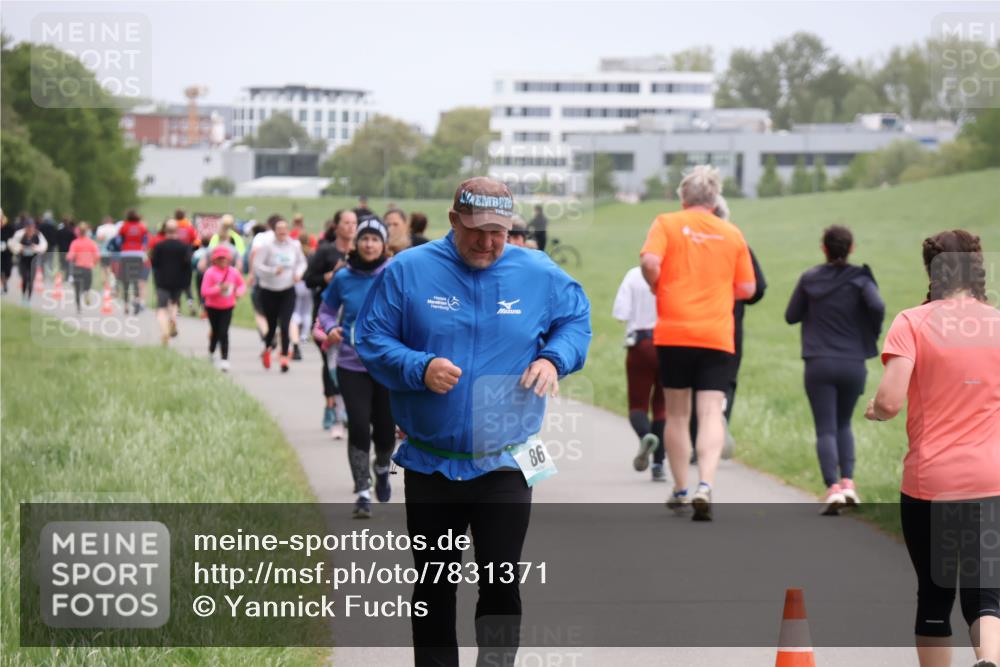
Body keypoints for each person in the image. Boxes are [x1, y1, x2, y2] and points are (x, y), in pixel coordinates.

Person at [356, 177, 591, 666]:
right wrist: (418, 367)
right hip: (431, 462)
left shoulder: (537, 273)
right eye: (476, 231)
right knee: (434, 586)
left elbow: (575, 320)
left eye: (497, 232)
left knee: (501, 583)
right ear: (453, 220)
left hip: (506, 460)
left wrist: (553, 358)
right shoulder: (409, 271)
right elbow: (372, 337)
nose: (486, 242)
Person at [865, 230, 999, 667]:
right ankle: (991, 659)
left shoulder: (912, 322)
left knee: (935, 594)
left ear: (931, 270)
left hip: (931, 483)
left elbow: (889, 402)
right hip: (991, 480)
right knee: (986, 594)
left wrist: (875, 411)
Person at [640, 165, 756, 521]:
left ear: (683, 198)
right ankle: (706, 484)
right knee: (710, 412)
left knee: (677, 413)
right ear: (715, 200)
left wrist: (658, 285)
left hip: (674, 331)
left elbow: (649, 261)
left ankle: (680, 488)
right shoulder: (732, 233)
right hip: (716, 334)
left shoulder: (666, 223)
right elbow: (747, 288)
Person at [785, 225, 884, 514]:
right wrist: (870, 330)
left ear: (824, 248)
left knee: (825, 427)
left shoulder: (809, 279)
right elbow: (877, 305)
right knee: (844, 423)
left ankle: (833, 489)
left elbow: (791, 316)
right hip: (853, 362)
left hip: (818, 362)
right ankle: (849, 484)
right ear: (851, 248)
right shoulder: (861, 279)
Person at [316, 217, 395, 517]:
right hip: (351, 363)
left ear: (384, 244)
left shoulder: (394, 273)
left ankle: (382, 468)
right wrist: (330, 328)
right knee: (359, 426)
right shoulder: (344, 277)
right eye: (365, 239)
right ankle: (362, 491)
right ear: (356, 243)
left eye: (375, 239)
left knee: (385, 432)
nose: (369, 244)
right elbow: (325, 311)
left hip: (387, 365)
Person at [689, 194, 767, 464]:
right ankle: (717, 425)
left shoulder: (691, 244)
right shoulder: (737, 243)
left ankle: (694, 441)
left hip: (692, 324)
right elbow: (758, 288)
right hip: (729, 326)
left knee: (692, 383)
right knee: (725, 382)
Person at [613, 265, 667, 481]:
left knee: (638, 406)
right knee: (662, 408)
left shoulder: (634, 275)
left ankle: (646, 436)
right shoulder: (674, 273)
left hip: (640, 344)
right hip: (668, 344)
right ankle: (658, 465)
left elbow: (620, 313)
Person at [304, 210, 355, 437]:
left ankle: (345, 408)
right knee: (330, 362)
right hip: (326, 318)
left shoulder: (361, 251)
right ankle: (332, 407)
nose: (350, 227)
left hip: (351, 318)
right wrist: (327, 277)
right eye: (346, 222)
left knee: (349, 364)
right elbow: (308, 279)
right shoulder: (325, 251)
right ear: (336, 226)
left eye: (354, 223)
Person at [254, 218, 307, 372]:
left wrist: (298, 274)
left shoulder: (294, 245)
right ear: (275, 231)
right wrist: (272, 271)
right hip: (269, 290)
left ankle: (284, 356)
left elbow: (302, 263)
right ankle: (267, 348)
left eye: (285, 229)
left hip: (288, 289)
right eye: (279, 229)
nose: (282, 232)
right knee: (271, 325)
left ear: (288, 230)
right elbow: (257, 266)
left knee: (285, 323)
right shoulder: (267, 246)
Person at [201, 245, 247, 371]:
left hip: (227, 306)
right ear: (214, 260)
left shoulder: (233, 272)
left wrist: (239, 292)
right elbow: (204, 291)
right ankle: (211, 351)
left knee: (224, 331)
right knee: (215, 331)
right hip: (212, 307)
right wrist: (219, 289)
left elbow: (242, 285)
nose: (222, 260)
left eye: (224, 258)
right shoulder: (210, 273)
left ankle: (224, 359)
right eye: (220, 258)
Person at [150, 221, 193, 346]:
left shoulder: (159, 246)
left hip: (162, 281)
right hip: (178, 281)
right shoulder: (184, 247)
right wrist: (186, 282)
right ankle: (173, 319)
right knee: (174, 303)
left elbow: (154, 264)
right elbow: (188, 266)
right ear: (177, 231)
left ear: (165, 230)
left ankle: (165, 332)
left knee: (161, 308)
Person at [117, 210, 149, 314]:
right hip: (138, 255)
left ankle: (126, 305)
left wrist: (123, 246)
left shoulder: (124, 226)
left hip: (126, 254)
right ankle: (137, 301)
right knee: (136, 279)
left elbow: (118, 241)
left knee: (125, 280)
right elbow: (145, 241)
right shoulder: (142, 227)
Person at [9, 218, 48, 303]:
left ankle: (28, 299)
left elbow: (44, 246)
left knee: (31, 280)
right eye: (28, 227)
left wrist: (35, 248)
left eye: (31, 227)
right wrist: (20, 248)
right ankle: (23, 296)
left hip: (33, 261)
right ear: (25, 227)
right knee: (25, 278)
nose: (30, 229)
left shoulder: (38, 235)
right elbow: (12, 244)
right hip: (23, 260)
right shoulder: (20, 234)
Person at [65, 223, 100, 312]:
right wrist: (94, 263)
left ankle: (78, 306)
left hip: (78, 268)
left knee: (77, 288)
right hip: (88, 268)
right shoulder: (91, 243)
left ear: (78, 232)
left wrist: (68, 257)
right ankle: (86, 292)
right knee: (87, 285)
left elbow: (70, 256)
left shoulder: (75, 243)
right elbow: (97, 256)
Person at [94, 215, 119, 286]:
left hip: (103, 252)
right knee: (111, 268)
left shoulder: (100, 228)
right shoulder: (115, 228)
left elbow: (99, 239)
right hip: (113, 251)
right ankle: (112, 284)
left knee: (103, 268)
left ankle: (105, 286)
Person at [1, 213, 14, 294]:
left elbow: (14, 238)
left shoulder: (9, 228)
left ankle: (5, 281)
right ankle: (4, 284)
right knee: (1, 271)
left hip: (8, 253)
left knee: (8, 271)